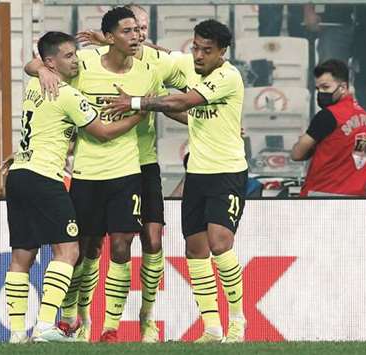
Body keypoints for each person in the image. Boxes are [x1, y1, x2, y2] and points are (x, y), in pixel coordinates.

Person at [24, 7, 165, 343]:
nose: (137, 36)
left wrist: (146, 104)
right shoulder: (83, 63)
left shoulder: (150, 67)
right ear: (111, 36)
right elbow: (39, 63)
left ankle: (111, 327)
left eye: (139, 30)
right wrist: (42, 69)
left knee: (121, 246)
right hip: (86, 172)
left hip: (128, 170)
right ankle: (75, 316)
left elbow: (176, 89)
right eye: (129, 31)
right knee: (85, 249)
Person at [104, 19, 248, 343]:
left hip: (227, 171)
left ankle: (237, 321)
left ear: (222, 52)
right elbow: (156, 55)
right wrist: (108, 41)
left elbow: (183, 102)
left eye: (206, 50)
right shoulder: (190, 63)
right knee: (195, 250)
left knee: (220, 242)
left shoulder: (228, 76)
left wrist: (138, 101)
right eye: (195, 47)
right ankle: (212, 327)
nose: (197, 55)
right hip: (197, 171)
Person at [291, 59, 366, 196]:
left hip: (322, 196)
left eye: (325, 87)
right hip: (356, 198)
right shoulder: (364, 116)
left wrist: (310, 146)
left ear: (343, 87)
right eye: (318, 89)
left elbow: (297, 154)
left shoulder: (328, 116)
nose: (321, 93)